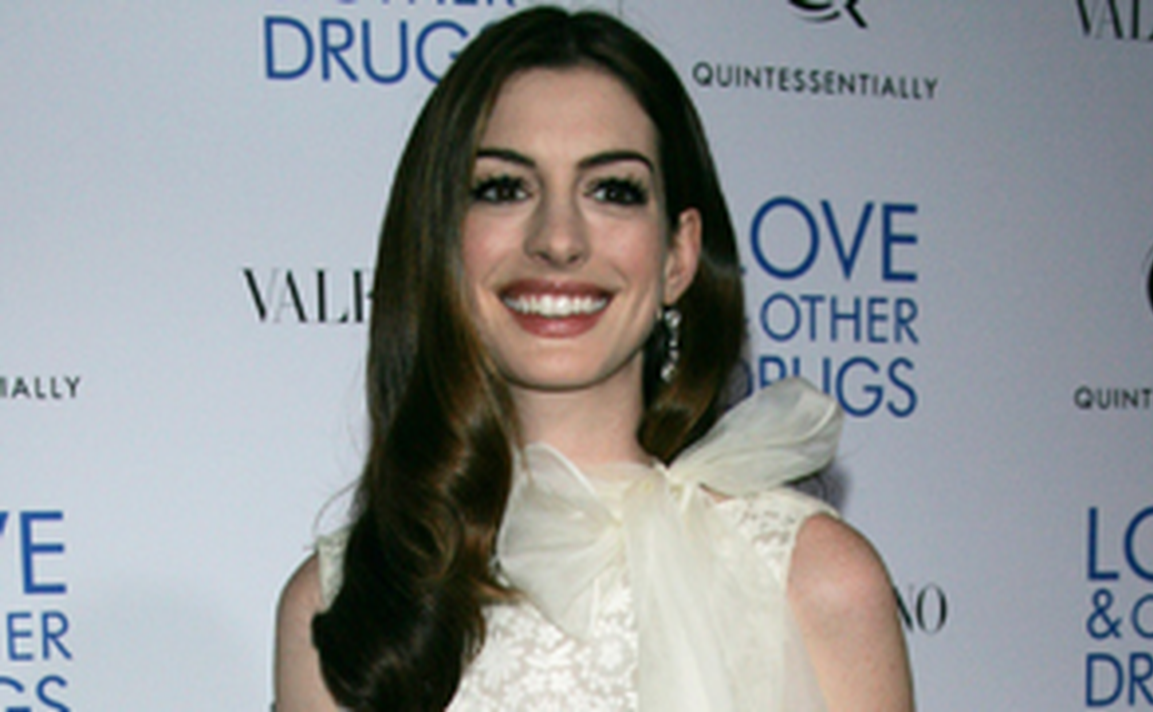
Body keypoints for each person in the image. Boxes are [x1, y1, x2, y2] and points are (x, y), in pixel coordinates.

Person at [274, 6, 912, 711]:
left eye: (613, 191)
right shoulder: (343, 606)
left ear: (678, 255)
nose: (558, 239)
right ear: (442, 242)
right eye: (503, 188)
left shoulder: (813, 579)